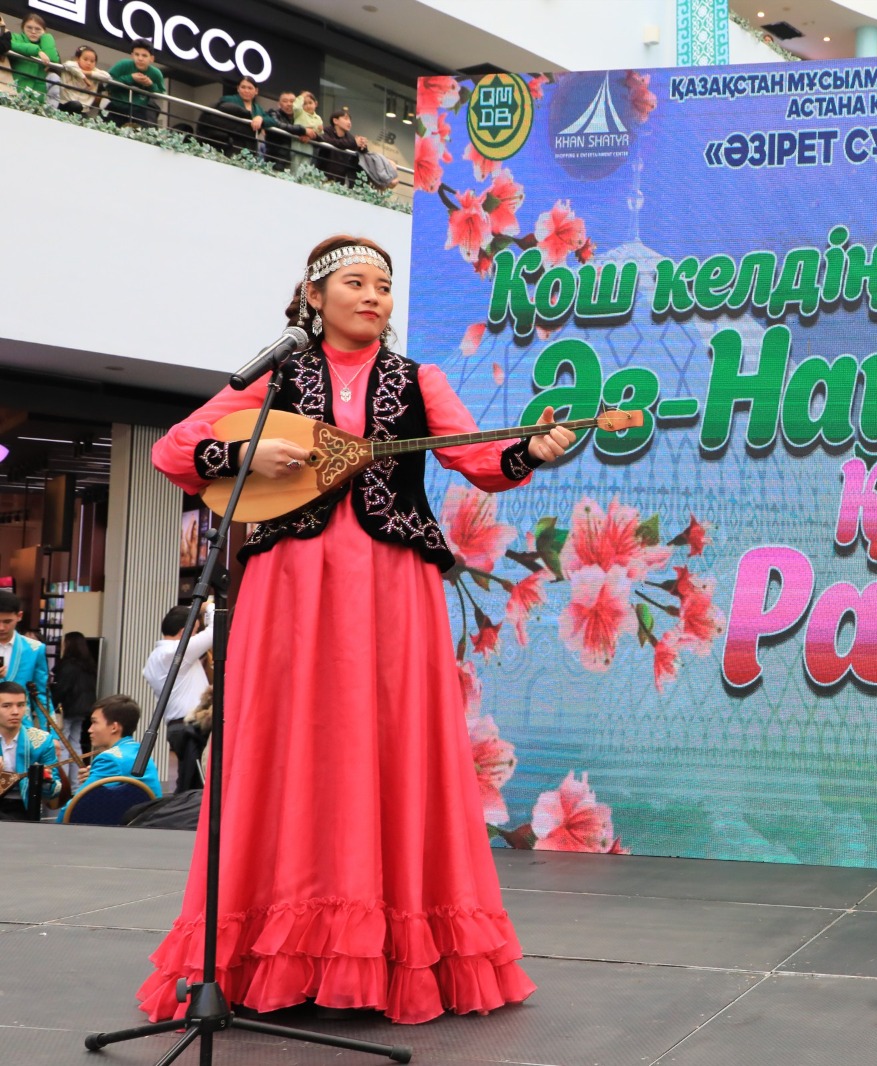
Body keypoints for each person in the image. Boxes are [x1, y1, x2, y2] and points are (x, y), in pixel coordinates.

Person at [138, 234, 575, 1025]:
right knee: (283, 740)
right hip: (290, 584)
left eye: (383, 285)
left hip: (390, 583)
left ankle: (394, 945)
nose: (374, 296)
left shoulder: (418, 380)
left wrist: (529, 451)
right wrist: (243, 459)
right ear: (314, 297)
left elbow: (479, 459)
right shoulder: (276, 377)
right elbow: (175, 451)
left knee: (394, 737)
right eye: (356, 283)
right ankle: (267, 946)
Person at [141, 605, 215, 792]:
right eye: (195, 631)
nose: (196, 636)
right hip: (192, 727)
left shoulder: (154, 658)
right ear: (183, 632)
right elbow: (215, 631)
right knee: (194, 787)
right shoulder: (177, 651)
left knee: (188, 782)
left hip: (176, 727)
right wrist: (209, 606)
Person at [71, 694, 163, 801]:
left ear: (114, 727)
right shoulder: (140, 753)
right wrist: (95, 775)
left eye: (94, 722)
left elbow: (76, 804)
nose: (89, 729)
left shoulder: (108, 759)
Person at [0, 680, 60, 820]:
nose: (15, 712)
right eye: (7, 706)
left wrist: (44, 780)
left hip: (25, 807)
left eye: (21, 705)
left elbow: (54, 792)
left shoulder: (43, 741)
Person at [51, 631, 97, 787]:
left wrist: (52, 704)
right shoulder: (88, 664)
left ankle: (62, 784)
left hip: (68, 708)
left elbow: (61, 688)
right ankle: (76, 784)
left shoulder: (67, 665)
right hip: (84, 709)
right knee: (75, 743)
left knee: (63, 744)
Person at [0, 590, 50, 729]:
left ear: (19, 616)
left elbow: (41, 694)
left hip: (21, 726)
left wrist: (52, 734)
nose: (1, 627)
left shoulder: (34, 649)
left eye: (7, 621)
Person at [2, 12, 60, 100]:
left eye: (38, 29)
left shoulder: (45, 44)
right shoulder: (15, 37)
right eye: (29, 28)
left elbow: (52, 58)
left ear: (44, 31)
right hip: (15, 92)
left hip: (37, 97)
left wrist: (47, 37)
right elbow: (9, 44)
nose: (33, 32)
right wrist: (37, 51)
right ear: (23, 28)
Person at [107, 39, 164, 128]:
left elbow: (161, 93)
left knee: (143, 133)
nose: (140, 58)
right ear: (132, 55)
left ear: (151, 59)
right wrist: (130, 78)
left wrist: (150, 85)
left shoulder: (156, 73)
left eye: (144, 55)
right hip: (116, 107)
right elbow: (107, 83)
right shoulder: (123, 64)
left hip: (138, 111)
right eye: (137, 54)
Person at [316, 107, 368, 185]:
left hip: (340, 181)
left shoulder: (350, 137)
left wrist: (362, 146)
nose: (349, 122)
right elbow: (330, 141)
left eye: (350, 120)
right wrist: (354, 142)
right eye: (346, 119)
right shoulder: (326, 131)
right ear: (335, 121)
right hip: (322, 177)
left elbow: (355, 148)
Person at [57, 45, 112, 119]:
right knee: (76, 105)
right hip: (64, 104)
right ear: (77, 59)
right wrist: (83, 77)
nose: (89, 63)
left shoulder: (95, 72)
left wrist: (85, 72)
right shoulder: (71, 66)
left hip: (83, 110)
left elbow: (107, 76)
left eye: (92, 61)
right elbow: (68, 65)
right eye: (85, 59)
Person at [263, 89, 307, 169]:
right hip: (274, 160)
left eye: (292, 101)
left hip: (295, 162)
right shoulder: (273, 113)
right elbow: (278, 124)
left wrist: (309, 136)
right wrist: (303, 130)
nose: (289, 104)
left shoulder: (300, 118)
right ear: (279, 104)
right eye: (285, 101)